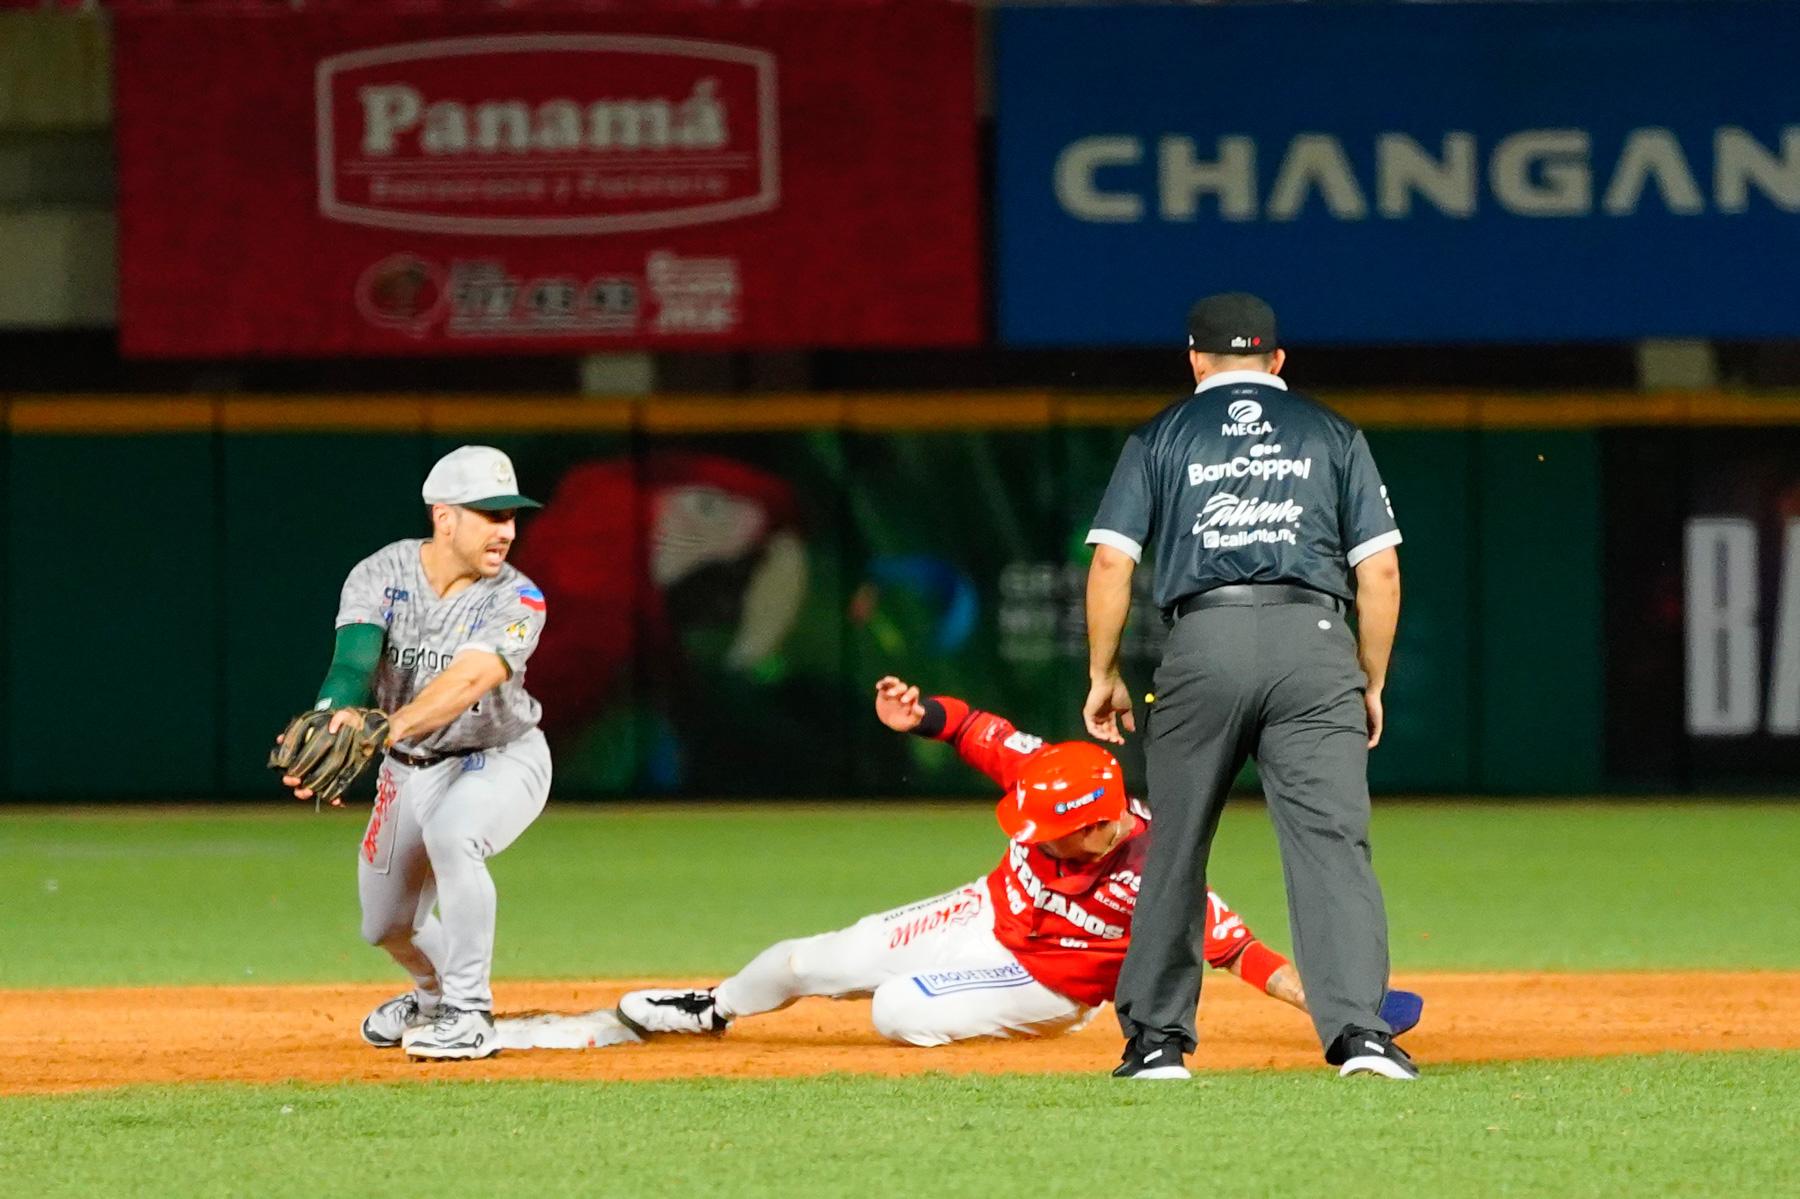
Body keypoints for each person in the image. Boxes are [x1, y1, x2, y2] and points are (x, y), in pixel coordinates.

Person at [611, 676, 1422, 1048]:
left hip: (1046, 983)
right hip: (979, 911)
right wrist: (921, 712)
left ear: (1099, 827)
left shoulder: (1159, 871)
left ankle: (1032, 1026)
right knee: (807, 958)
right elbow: (976, 729)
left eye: (1048, 830)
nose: (1030, 831)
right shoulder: (1052, 775)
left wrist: (1347, 1010)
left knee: (897, 1009)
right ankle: (710, 1007)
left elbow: (1248, 954)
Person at [1083, 292, 1413, 1080]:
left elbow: (1110, 564)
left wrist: (1103, 673)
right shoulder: (1332, 433)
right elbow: (1382, 571)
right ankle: (1361, 1036)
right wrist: (1368, 680)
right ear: (1278, 360)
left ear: (1194, 359)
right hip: (1317, 643)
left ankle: (1158, 1042)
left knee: (1175, 846)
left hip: (1204, 642)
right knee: (1332, 846)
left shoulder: (1162, 433)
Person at [276, 445, 553, 1061]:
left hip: (501, 756)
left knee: (456, 835)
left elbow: (468, 683)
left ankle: (470, 1013)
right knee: (385, 926)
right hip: (410, 767)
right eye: (489, 513)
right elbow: (352, 663)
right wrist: (333, 717)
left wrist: (382, 728)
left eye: (510, 516)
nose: (505, 530)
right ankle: (431, 996)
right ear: (443, 515)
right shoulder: (381, 573)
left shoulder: (519, 598)